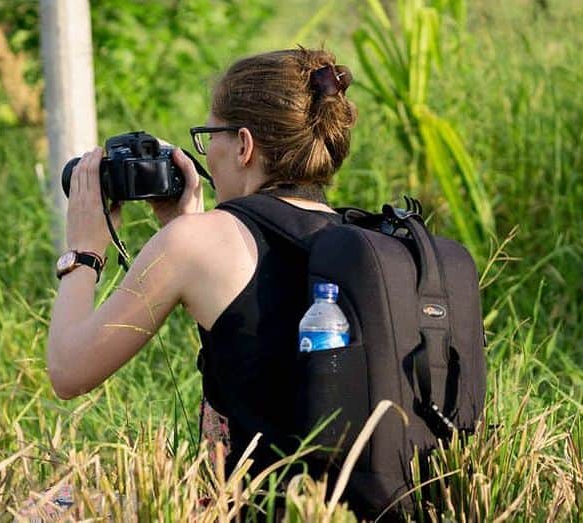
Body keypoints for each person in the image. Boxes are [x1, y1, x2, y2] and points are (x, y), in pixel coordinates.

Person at [46, 47, 357, 496]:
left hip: (257, 506)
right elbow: (253, 352)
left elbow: (67, 371)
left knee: (50, 507)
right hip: (365, 502)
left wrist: (84, 253)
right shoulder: (355, 238)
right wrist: (183, 224)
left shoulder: (196, 243)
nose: (207, 152)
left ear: (244, 146)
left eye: (210, 135)